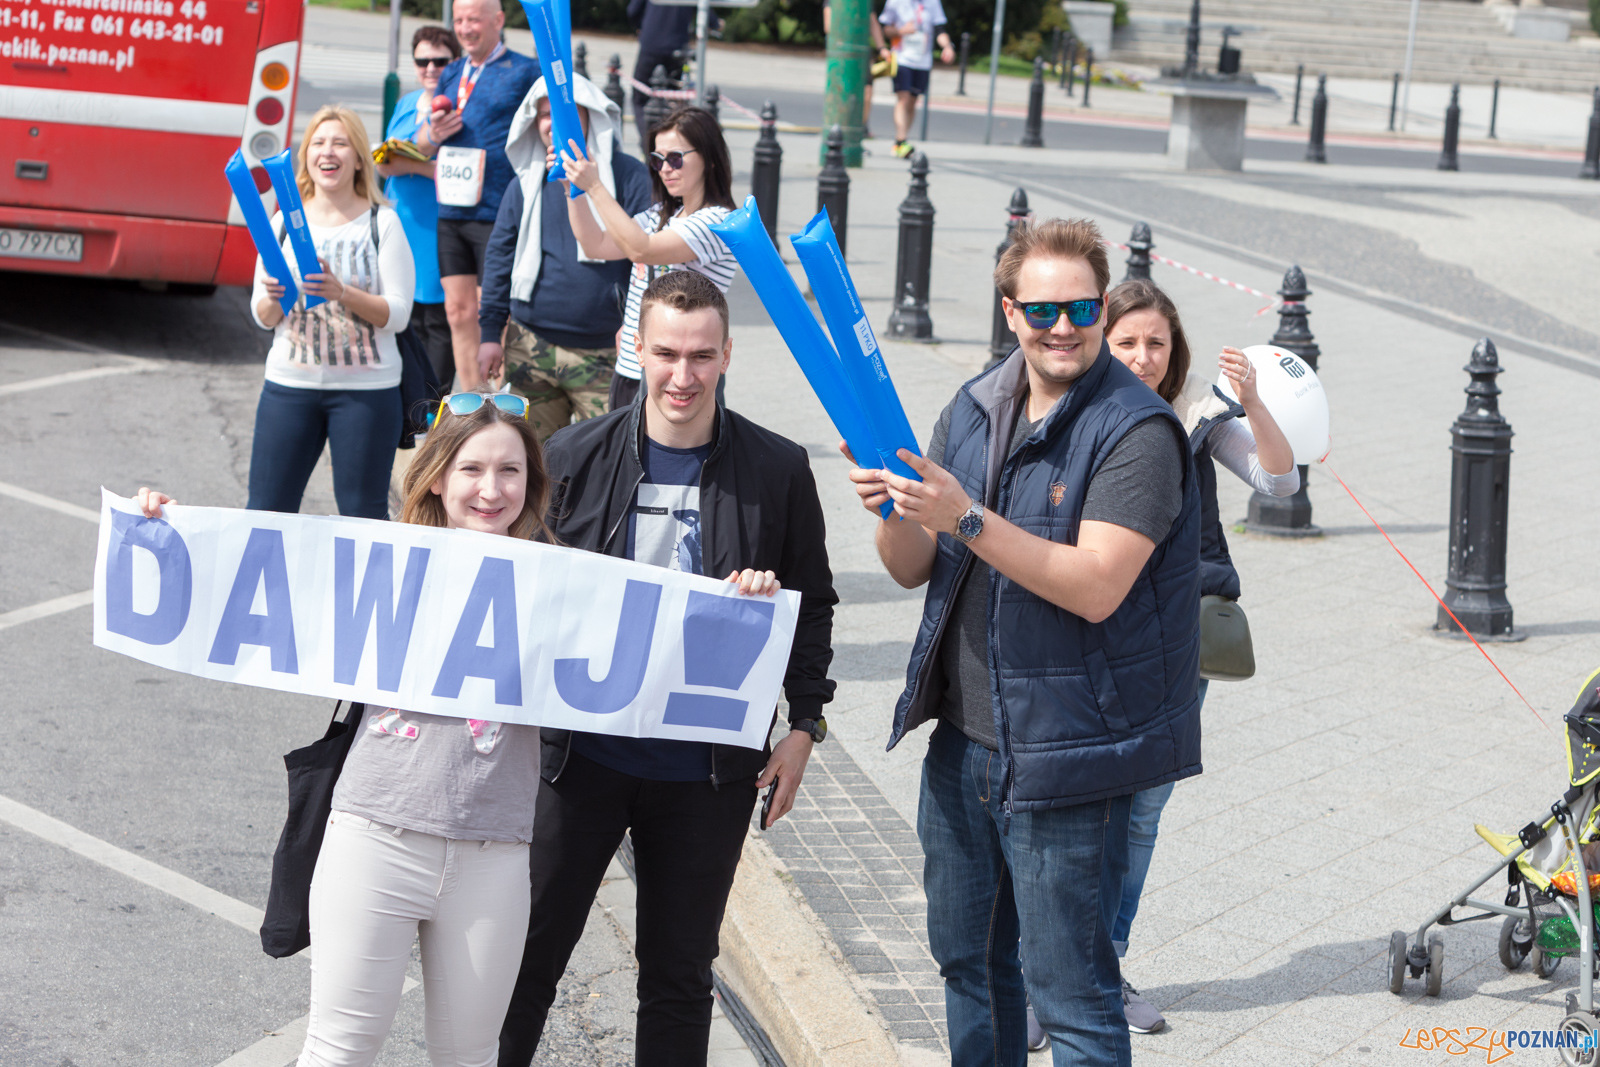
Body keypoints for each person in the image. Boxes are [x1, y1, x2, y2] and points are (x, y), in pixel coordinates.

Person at [845, 218, 1201, 1066]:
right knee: (969, 966)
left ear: (1102, 303)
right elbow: (910, 567)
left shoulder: (1137, 429)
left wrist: (963, 513)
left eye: (1080, 306)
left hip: (1069, 754)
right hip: (964, 742)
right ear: (1011, 313)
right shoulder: (970, 406)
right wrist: (897, 512)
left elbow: (1096, 582)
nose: (1063, 326)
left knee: (1071, 998)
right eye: (1041, 310)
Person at [130, 388, 553, 1067]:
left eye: (510, 470)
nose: (491, 488)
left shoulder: (564, 586)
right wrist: (174, 534)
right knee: (339, 1051)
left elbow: (657, 647)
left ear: (531, 483)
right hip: (375, 839)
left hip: (492, 852)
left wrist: (745, 606)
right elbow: (257, 581)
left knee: (471, 1056)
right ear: (439, 475)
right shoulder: (378, 561)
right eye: (473, 468)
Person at [497, 271, 837, 1067]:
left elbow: (813, 603)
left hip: (704, 772)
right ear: (636, 351)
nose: (682, 376)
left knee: (680, 977)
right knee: (528, 961)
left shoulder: (778, 468)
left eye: (701, 356)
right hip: (580, 757)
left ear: (727, 355)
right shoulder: (571, 457)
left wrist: (805, 725)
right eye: (666, 354)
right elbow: (513, 585)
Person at [1095, 278, 1297, 1035]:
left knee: (1144, 810)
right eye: (1127, 342)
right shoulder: (1076, 417)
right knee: (1084, 804)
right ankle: (1042, 970)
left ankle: (1104, 965)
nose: (1143, 357)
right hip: (1101, 634)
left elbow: (1280, 479)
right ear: (1099, 343)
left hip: (1183, 641)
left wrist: (1252, 399)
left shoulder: (1198, 421)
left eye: (1156, 343)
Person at [249, 105, 414, 521]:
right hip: (289, 385)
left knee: (364, 515)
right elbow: (262, 315)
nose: (329, 152)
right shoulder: (283, 223)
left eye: (340, 143)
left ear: (359, 158)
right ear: (306, 156)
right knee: (266, 512)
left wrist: (342, 292)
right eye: (318, 143)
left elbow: (398, 315)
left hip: (367, 394)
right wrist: (275, 297)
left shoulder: (383, 223)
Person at [477, 73, 653, 441]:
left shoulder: (629, 176)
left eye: (564, 112)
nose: (552, 122)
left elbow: (651, 259)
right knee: (531, 465)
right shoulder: (524, 183)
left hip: (607, 352)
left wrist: (642, 325)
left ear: (590, 117)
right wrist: (490, 332)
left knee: (606, 463)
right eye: (543, 114)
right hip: (530, 346)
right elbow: (499, 256)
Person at [557, 104, 738, 413]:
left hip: (680, 376)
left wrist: (595, 185)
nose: (666, 168)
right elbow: (595, 244)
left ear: (708, 159)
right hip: (631, 366)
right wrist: (573, 190)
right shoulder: (662, 214)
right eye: (658, 160)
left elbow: (641, 249)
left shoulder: (717, 221)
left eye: (676, 158)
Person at [416, 0, 540, 390]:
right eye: (458, 21)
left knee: (493, 314)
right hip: (451, 210)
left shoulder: (524, 70)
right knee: (456, 310)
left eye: (473, 19)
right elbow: (421, 146)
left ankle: (498, 400)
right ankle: (471, 401)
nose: (465, 28)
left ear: (498, 20)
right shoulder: (451, 71)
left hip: (497, 210)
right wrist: (433, 135)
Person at [378, 25, 461, 388]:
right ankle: (406, 399)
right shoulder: (407, 103)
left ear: (455, 62)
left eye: (440, 61)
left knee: (437, 320)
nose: (430, 68)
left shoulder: (458, 107)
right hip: (402, 220)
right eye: (422, 60)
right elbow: (382, 163)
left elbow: (459, 174)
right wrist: (423, 165)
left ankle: (435, 407)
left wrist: (409, 164)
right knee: (403, 311)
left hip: (440, 224)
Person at [625, 0, 717, 149]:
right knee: (672, 100)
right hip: (677, 47)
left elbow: (633, 10)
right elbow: (704, 7)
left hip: (651, 43)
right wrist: (716, 23)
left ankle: (648, 143)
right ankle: (668, 145)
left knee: (640, 97)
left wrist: (640, 27)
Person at [878, 0, 955, 158]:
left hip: (923, 60)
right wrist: (901, 30)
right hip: (902, 57)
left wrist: (947, 46)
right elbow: (885, 29)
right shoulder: (895, 2)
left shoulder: (932, 2)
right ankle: (901, 141)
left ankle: (901, 140)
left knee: (912, 101)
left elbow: (939, 29)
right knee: (903, 98)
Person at [822, 0, 889, 138]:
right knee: (842, 90)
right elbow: (828, 26)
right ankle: (838, 130)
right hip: (842, 51)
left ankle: (859, 130)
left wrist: (882, 48)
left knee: (867, 91)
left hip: (861, 51)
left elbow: (873, 22)